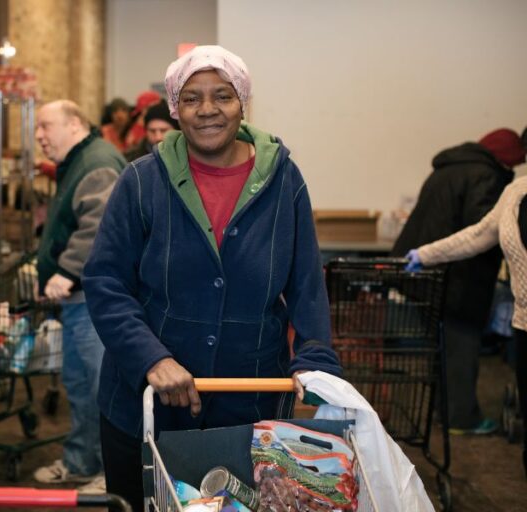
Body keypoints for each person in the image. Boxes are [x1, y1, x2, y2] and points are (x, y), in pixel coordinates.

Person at [82, 45, 342, 510]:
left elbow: (305, 282)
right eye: (191, 98)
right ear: (174, 108)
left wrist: (314, 359)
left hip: (249, 405)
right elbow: (105, 282)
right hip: (145, 408)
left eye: (222, 96)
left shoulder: (284, 180)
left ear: (243, 103)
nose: (207, 110)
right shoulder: (141, 181)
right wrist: (151, 359)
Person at [404, 138, 527, 473]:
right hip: (512, 317)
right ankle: (460, 415)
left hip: (456, 286)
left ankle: (455, 413)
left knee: (452, 348)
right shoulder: (512, 190)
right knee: (459, 348)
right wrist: (426, 254)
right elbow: (479, 232)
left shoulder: (453, 168)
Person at [32, 100, 126, 492]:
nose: (38, 135)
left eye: (45, 126)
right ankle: (81, 461)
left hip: (93, 299)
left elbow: (99, 223)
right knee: (79, 383)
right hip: (78, 300)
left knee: (97, 386)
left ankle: (112, 473)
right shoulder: (80, 161)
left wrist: (67, 270)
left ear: (74, 125)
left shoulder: (97, 162)